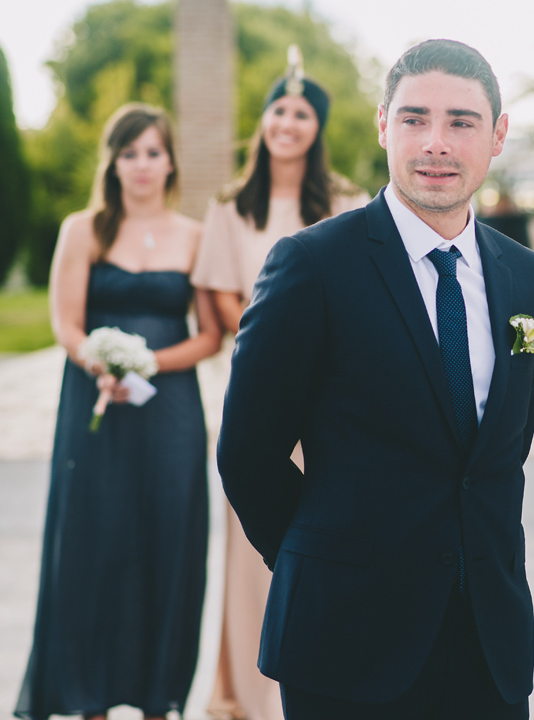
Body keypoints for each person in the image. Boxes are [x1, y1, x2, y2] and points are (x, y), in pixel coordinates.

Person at [216, 39, 534, 719]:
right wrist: (324, 560)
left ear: (497, 135)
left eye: (461, 121)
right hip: (345, 636)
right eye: (414, 119)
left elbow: (500, 453)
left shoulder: (530, 278)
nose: (436, 142)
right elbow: (247, 452)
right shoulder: (311, 265)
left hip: (489, 638)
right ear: (382, 125)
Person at [15, 104, 222, 720]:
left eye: (153, 152)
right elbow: (64, 322)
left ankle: (160, 697)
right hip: (94, 403)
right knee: (93, 541)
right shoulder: (84, 229)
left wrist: (151, 363)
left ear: (170, 161)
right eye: (129, 153)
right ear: (113, 163)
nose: (141, 165)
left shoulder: (195, 235)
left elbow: (211, 333)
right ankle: (88, 698)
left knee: (167, 540)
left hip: (170, 413)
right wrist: (101, 363)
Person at [191, 48, 367, 720]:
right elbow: (220, 303)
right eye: (279, 110)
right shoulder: (231, 207)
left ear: (317, 127)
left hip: (333, 398)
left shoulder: (347, 200)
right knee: (253, 541)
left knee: (329, 530)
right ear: (263, 121)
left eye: (302, 112)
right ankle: (252, 696)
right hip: (263, 396)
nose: (288, 122)